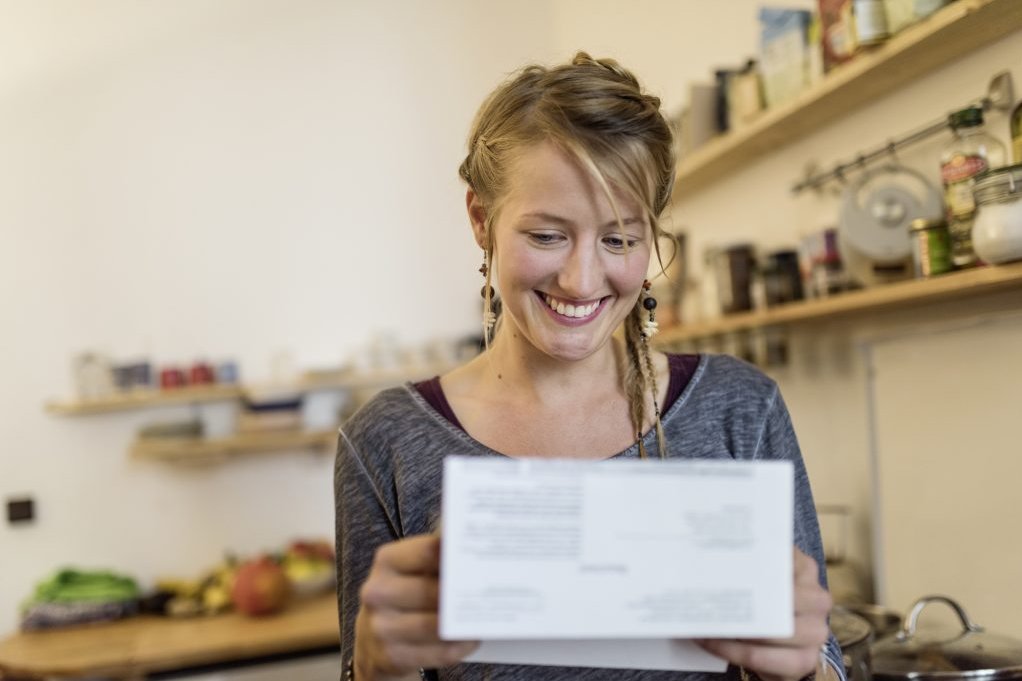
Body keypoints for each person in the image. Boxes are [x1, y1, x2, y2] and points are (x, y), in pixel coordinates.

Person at [334, 52, 845, 681]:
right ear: (480, 221)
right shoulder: (384, 440)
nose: (581, 281)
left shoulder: (742, 406)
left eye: (621, 239)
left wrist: (800, 666)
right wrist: (377, 667)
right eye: (546, 236)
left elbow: (821, 663)